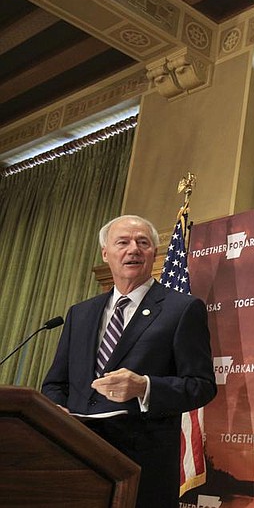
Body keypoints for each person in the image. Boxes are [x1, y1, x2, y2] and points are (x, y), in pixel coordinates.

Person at [42, 214, 217, 508]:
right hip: (76, 456)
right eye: (122, 242)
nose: (133, 249)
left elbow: (201, 386)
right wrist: (56, 409)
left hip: (140, 463)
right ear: (105, 253)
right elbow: (56, 383)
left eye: (143, 243)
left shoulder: (182, 309)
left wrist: (144, 387)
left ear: (153, 253)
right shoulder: (79, 313)